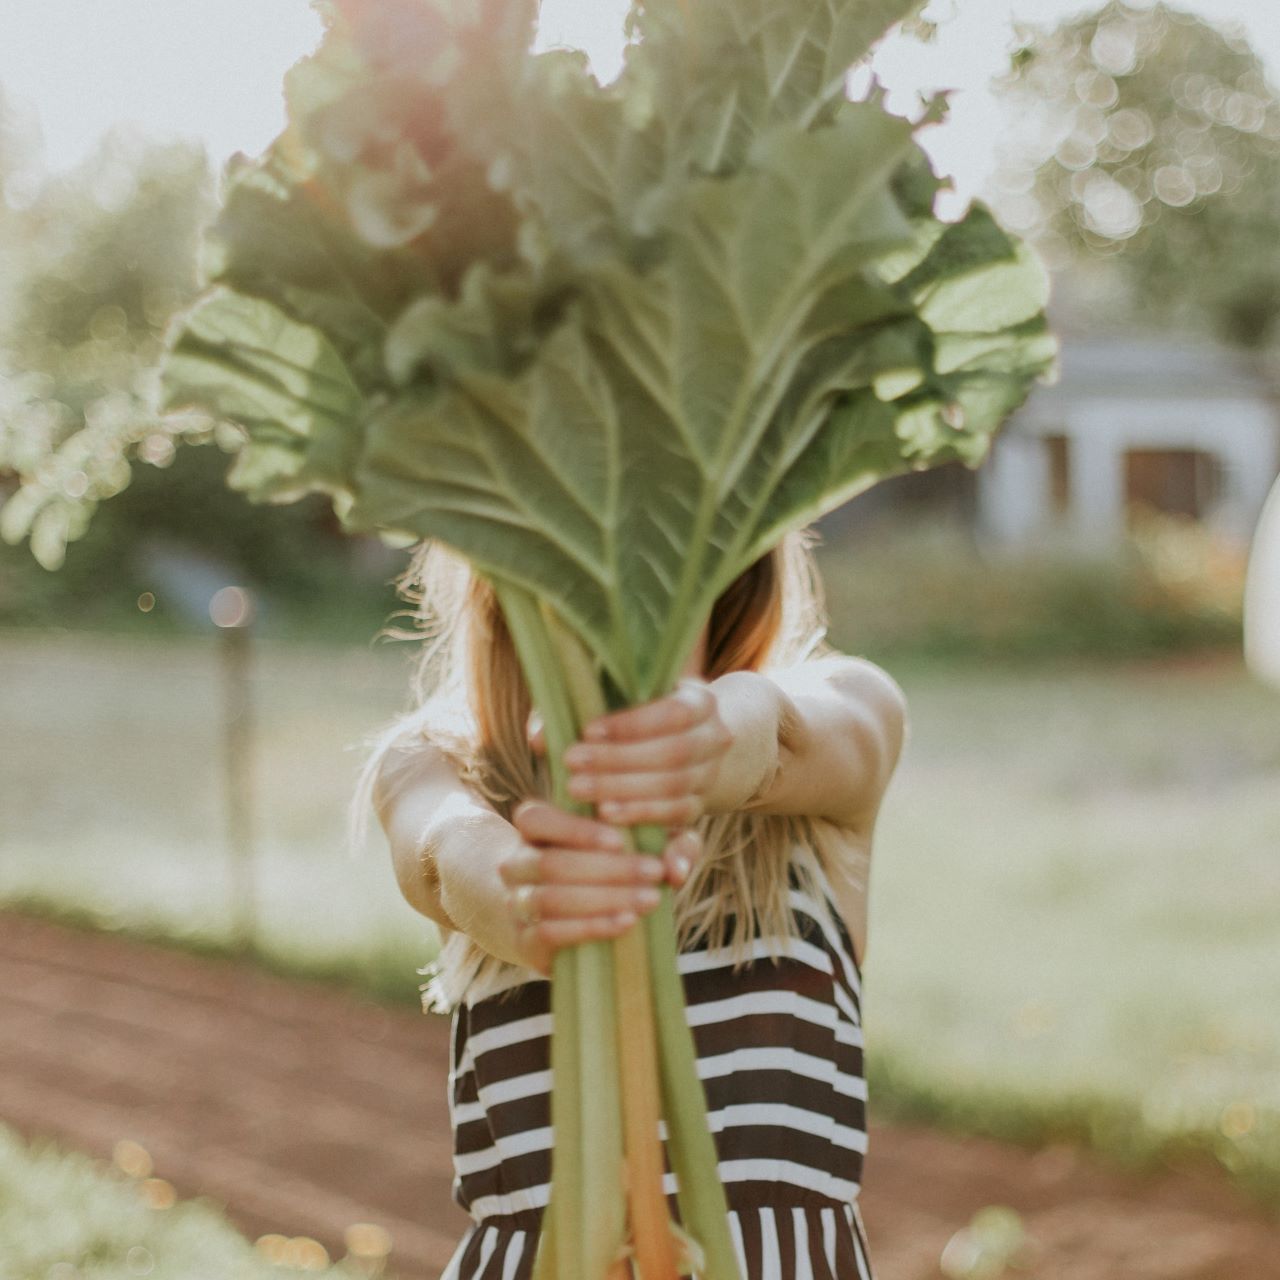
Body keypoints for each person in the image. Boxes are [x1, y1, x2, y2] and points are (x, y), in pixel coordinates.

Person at [349, 527, 908, 1280]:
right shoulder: (437, 765)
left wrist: (705, 735)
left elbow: (778, 732)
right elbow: (444, 852)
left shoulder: (841, 716)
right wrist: (527, 892)